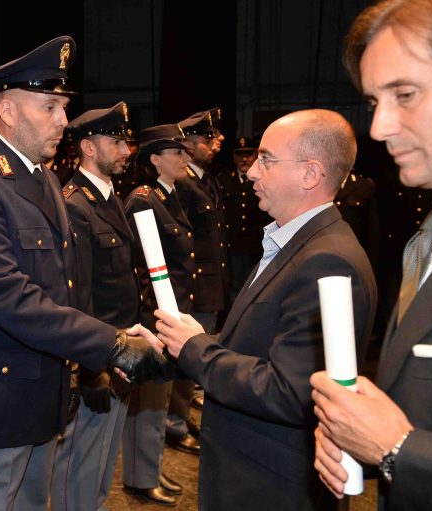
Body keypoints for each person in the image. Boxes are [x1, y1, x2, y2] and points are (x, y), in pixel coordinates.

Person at [0, 36, 166, 511]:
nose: (62, 120)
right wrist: (110, 344)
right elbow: (8, 297)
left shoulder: (44, 181)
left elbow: (66, 287)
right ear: (8, 111)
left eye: (63, 107)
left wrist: (111, 338)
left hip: (41, 400)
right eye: (50, 107)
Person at [311, 1, 432, 509]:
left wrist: (397, 450)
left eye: (406, 95)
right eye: (375, 101)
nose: (379, 127)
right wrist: (362, 433)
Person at [149, 109, 377, 510]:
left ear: (310, 174)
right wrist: (178, 344)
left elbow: (289, 391)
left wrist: (195, 348)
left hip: (273, 486)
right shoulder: (296, 243)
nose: (252, 171)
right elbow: (253, 344)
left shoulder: (326, 259)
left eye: (266, 160)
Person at [51, 101, 140, 511]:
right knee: (81, 467)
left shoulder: (107, 197)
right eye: (116, 142)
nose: (126, 151)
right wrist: (91, 371)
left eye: (126, 143)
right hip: (99, 358)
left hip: (120, 353)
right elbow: (79, 296)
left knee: (102, 462)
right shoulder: (75, 204)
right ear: (88, 147)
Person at [120, 123, 195, 507]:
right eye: (177, 152)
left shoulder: (169, 195)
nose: (185, 158)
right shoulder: (143, 200)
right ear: (155, 160)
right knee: (148, 400)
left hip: (172, 313)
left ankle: (150, 468)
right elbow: (137, 266)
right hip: (155, 316)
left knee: (159, 399)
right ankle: (140, 475)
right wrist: (153, 318)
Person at [162, 109, 230, 451]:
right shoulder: (184, 184)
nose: (215, 144)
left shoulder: (204, 179)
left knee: (197, 355)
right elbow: (180, 242)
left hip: (210, 284)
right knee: (188, 356)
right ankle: (173, 422)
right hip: (195, 285)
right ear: (188, 144)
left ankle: (181, 413)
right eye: (206, 139)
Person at [217, 136, 272, 302]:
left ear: (255, 155)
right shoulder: (223, 180)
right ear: (233, 156)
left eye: (249, 154)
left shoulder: (266, 180)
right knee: (234, 290)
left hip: (258, 246)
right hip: (232, 247)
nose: (244, 159)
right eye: (240, 154)